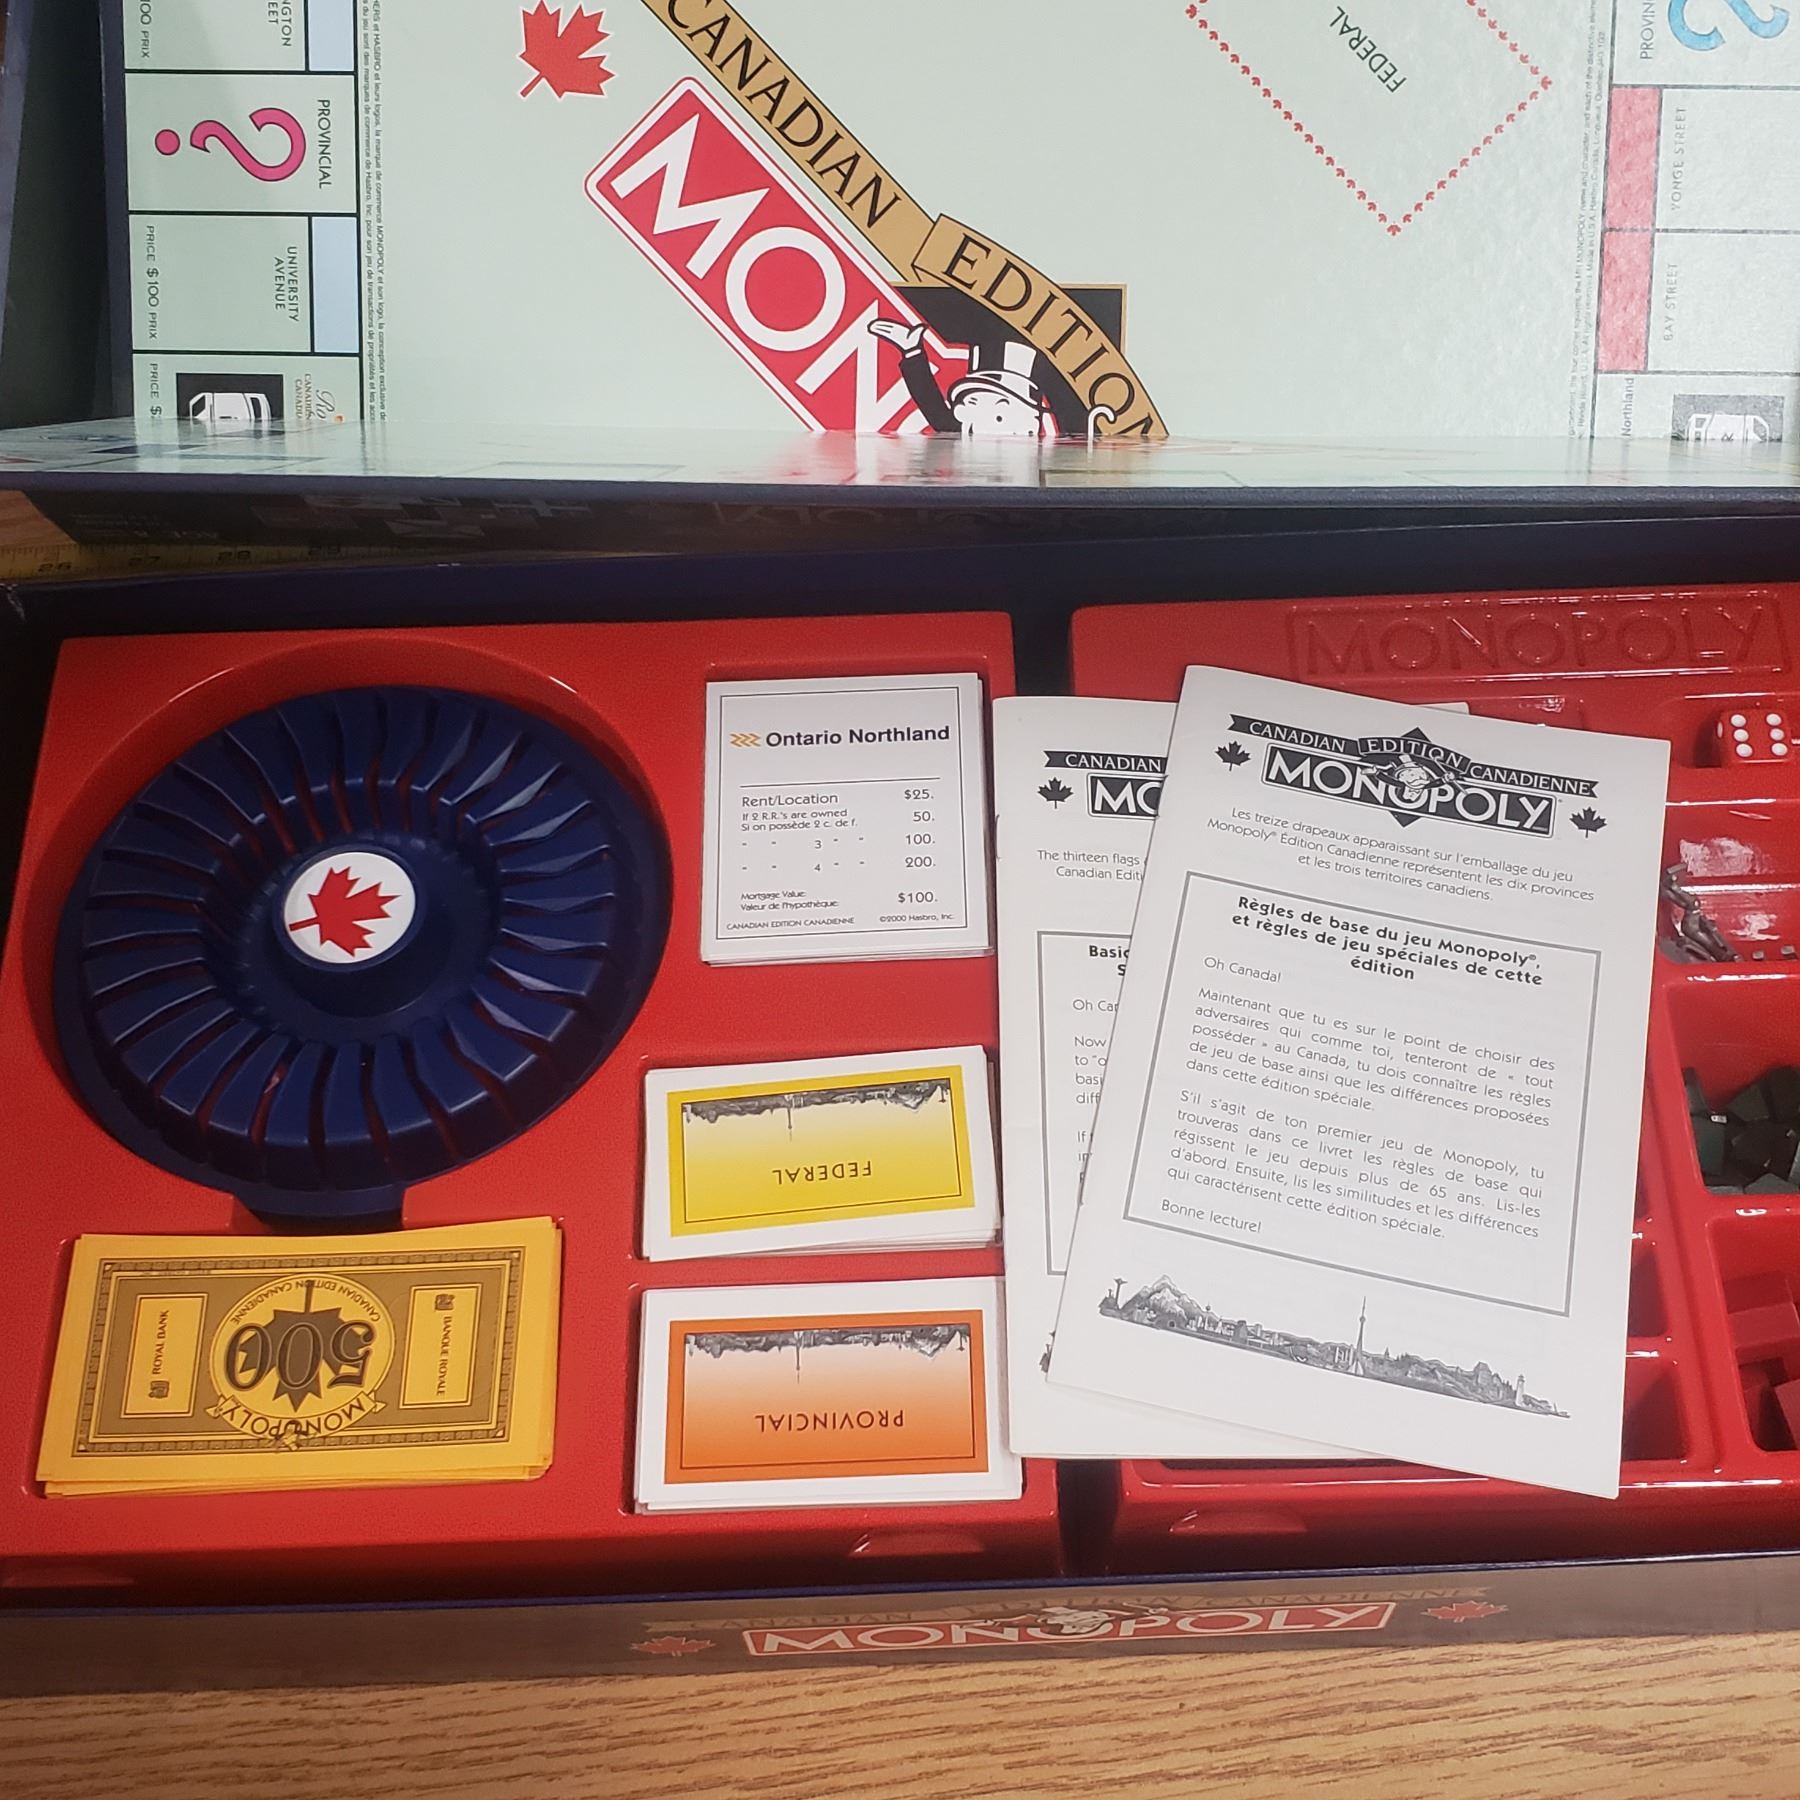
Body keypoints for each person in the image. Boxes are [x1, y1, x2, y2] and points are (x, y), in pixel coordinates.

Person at [867, 319, 1052, 437]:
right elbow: (935, 409)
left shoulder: (1026, 445)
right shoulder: (969, 431)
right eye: (973, 402)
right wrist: (912, 352)